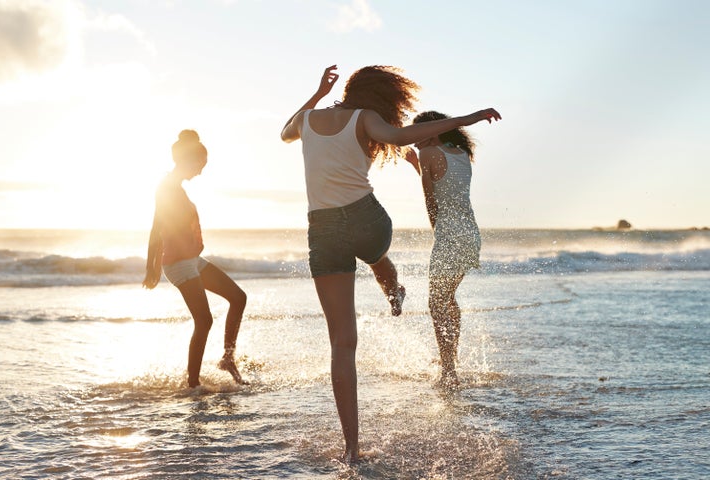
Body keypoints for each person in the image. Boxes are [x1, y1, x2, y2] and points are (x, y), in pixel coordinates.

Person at [280, 64, 501, 462]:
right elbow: (402, 137)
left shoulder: (308, 119)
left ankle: (351, 448)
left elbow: (284, 133)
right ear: (383, 97)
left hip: (324, 231)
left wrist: (315, 94)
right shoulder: (366, 119)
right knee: (376, 255)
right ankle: (393, 286)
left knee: (342, 344)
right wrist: (469, 118)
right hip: (368, 221)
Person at [143, 130, 247, 389]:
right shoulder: (167, 187)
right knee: (204, 320)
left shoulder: (175, 187)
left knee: (238, 297)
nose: (200, 172)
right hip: (177, 263)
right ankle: (193, 384)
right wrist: (151, 267)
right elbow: (156, 228)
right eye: (200, 165)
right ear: (188, 161)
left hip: (191, 259)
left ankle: (227, 359)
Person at [404, 110, 496, 390]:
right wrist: (415, 166)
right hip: (470, 234)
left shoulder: (427, 154)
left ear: (434, 131)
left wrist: (438, 234)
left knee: (436, 302)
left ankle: (448, 370)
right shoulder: (460, 153)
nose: (413, 138)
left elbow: (431, 200)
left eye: (418, 133)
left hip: (451, 235)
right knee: (447, 298)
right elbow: (447, 185)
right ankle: (450, 361)